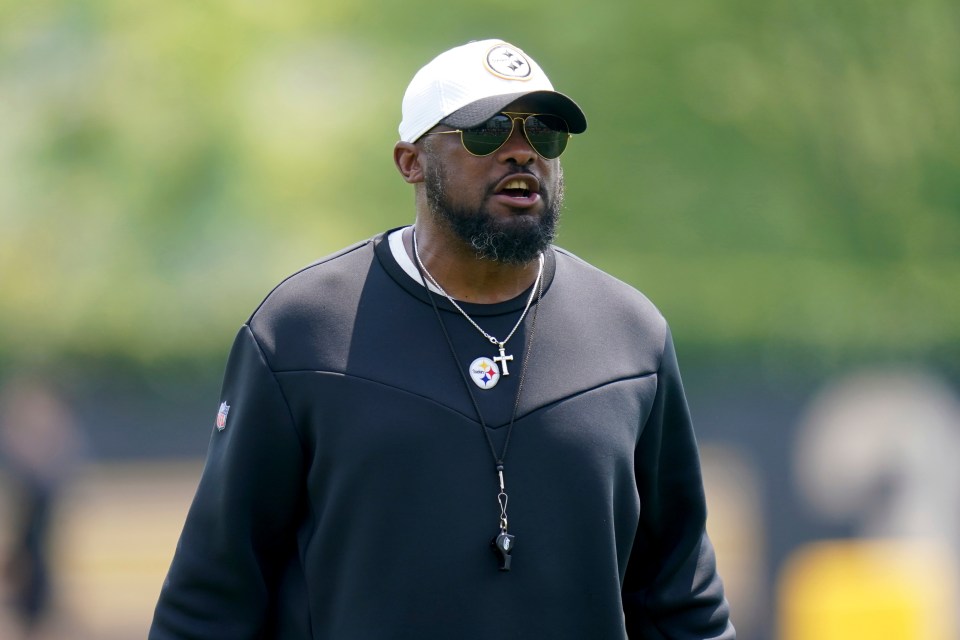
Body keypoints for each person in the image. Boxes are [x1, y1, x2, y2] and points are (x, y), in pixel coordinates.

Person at [149, 38, 735, 639]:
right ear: (411, 161)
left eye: (544, 133)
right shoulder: (301, 331)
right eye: (486, 131)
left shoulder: (630, 334)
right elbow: (211, 602)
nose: (522, 152)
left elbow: (681, 601)